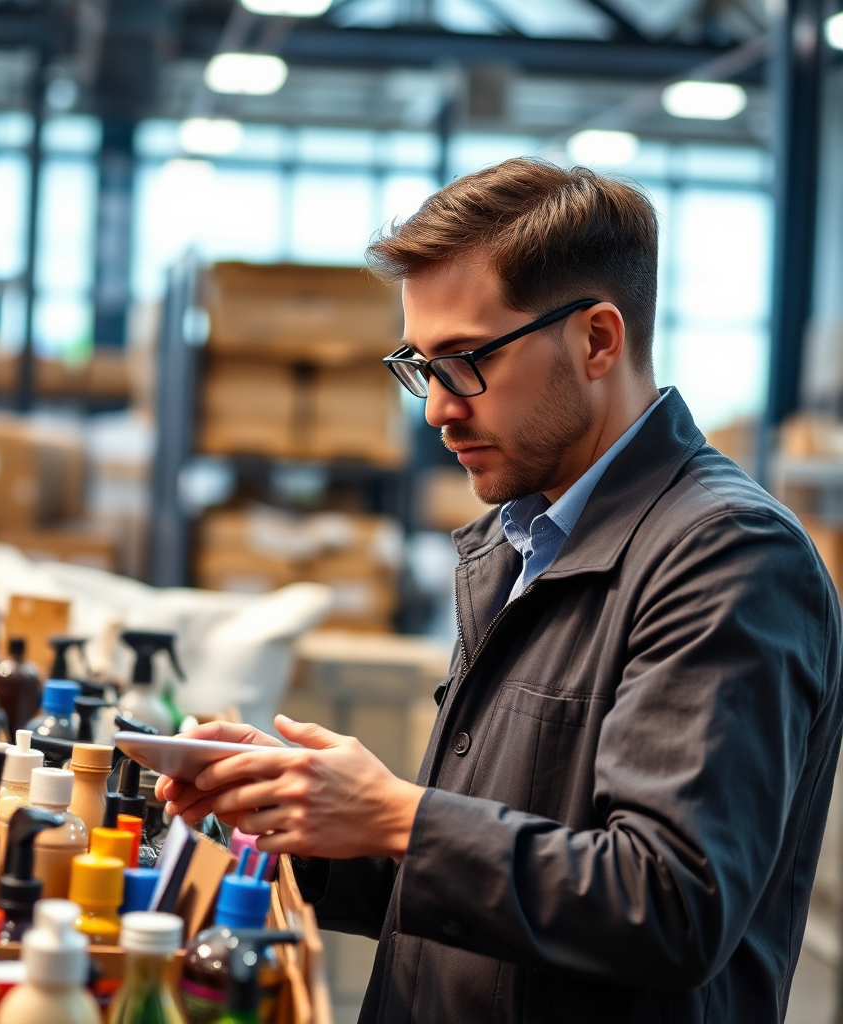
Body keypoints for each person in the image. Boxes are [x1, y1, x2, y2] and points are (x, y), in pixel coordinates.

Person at [159, 158, 843, 1023]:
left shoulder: (725, 557)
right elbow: (492, 870)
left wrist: (402, 815)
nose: (438, 409)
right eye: (420, 365)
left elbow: (673, 904)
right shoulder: (522, 540)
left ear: (598, 339)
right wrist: (302, 811)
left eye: (466, 360)